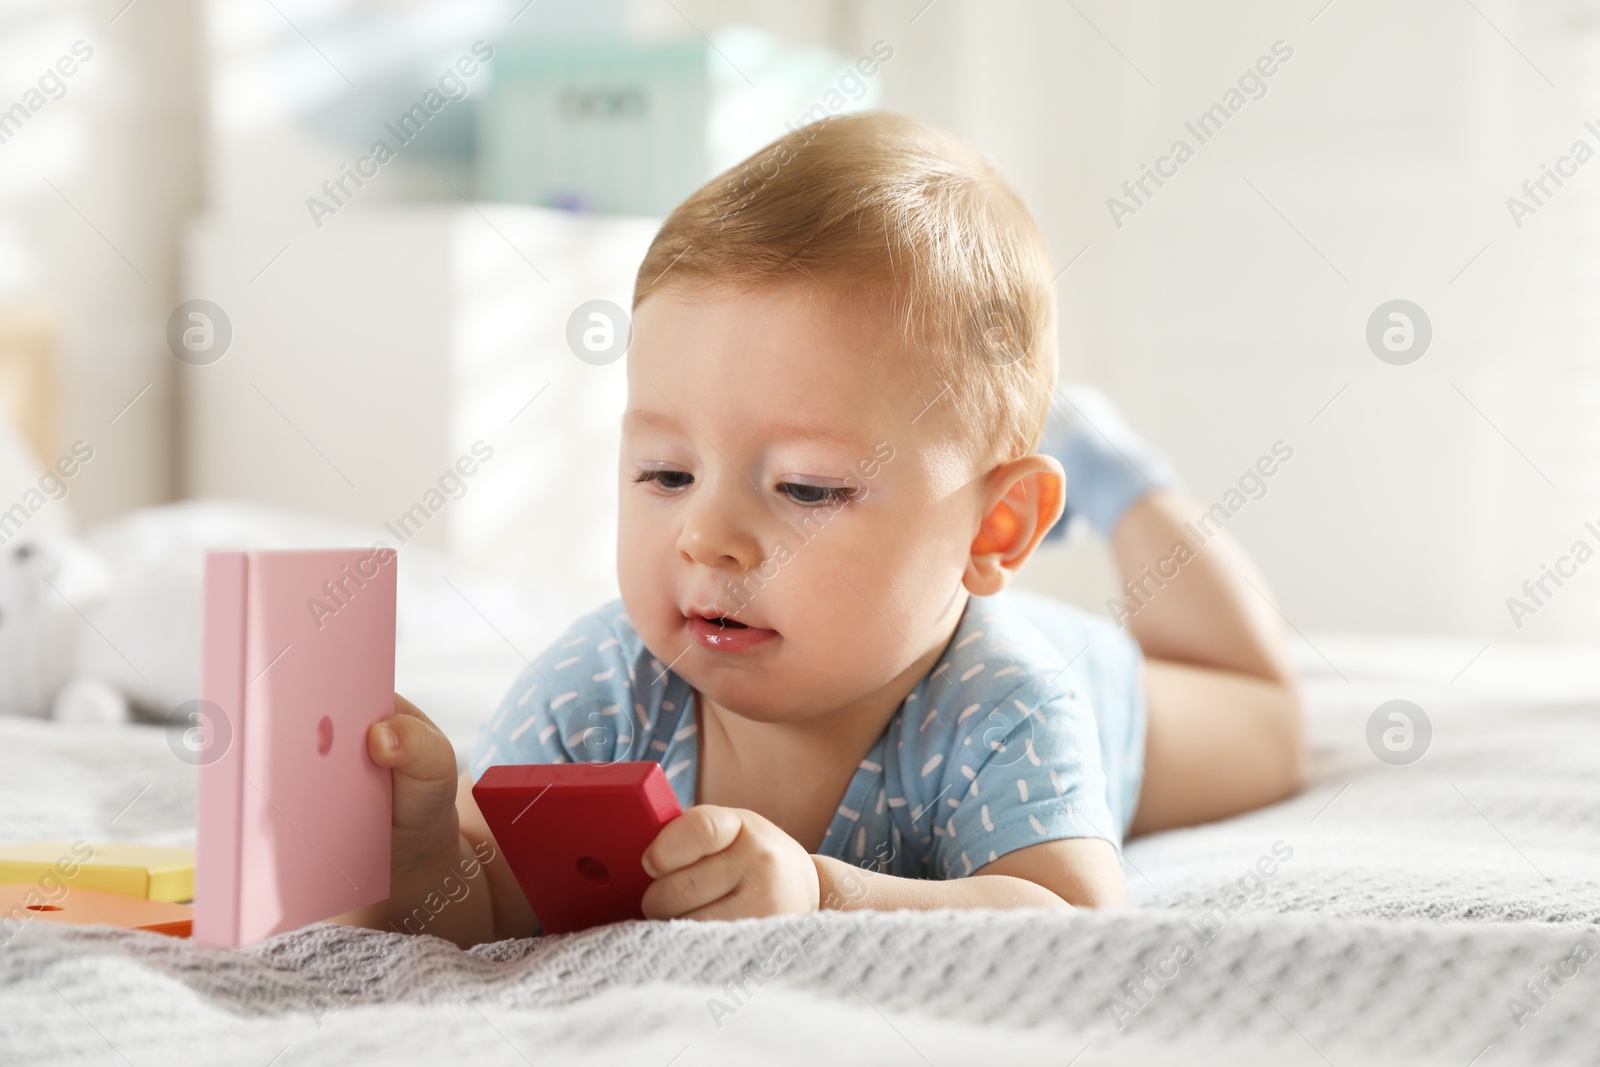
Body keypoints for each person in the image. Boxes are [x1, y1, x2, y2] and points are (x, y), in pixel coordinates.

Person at [335, 112, 1306, 947]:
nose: (707, 536)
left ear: (993, 525)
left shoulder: (1004, 701)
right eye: (667, 472)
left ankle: (1114, 472)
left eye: (804, 487)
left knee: (1264, 719)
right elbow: (486, 909)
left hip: (1098, 688)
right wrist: (418, 852)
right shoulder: (594, 694)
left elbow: (1064, 912)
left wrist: (825, 888)